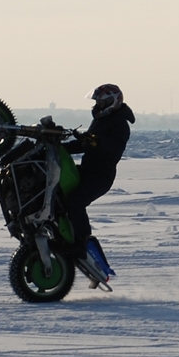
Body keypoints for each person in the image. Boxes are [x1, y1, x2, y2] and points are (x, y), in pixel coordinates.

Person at [63, 84, 135, 259]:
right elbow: (85, 145)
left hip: (100, 176)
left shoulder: (120, 124)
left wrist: (93, 140)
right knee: (59, 193)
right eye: (97, 102)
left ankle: (82, 243)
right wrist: (60, 147)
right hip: (86, 170)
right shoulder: (100, 120)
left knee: (75, 202)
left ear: (113, 102)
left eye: (102, 102)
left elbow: (113, 147)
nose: (98, 105)